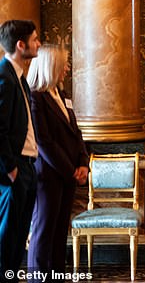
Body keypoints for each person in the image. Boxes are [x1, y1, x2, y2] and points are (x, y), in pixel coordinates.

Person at [26, 45, 89, 280]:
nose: (68, 68)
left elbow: (76, 132)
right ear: (50, 66)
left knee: (60, 232)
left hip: (68, 176)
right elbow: (44, 141)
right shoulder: (35, 97)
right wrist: (70, 170)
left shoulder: (61, 95)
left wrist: (83, 163)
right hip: (49, 176)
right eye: (64, 63)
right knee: (43, 233)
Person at [0, 20, 41, 281]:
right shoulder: (3, 76)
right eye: (35, 39)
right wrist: (11, 168)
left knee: (19, 234)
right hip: (14, 170)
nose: (38, 44)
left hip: (27, 166)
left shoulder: (20, 78)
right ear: (20, 44)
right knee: (8, 236)